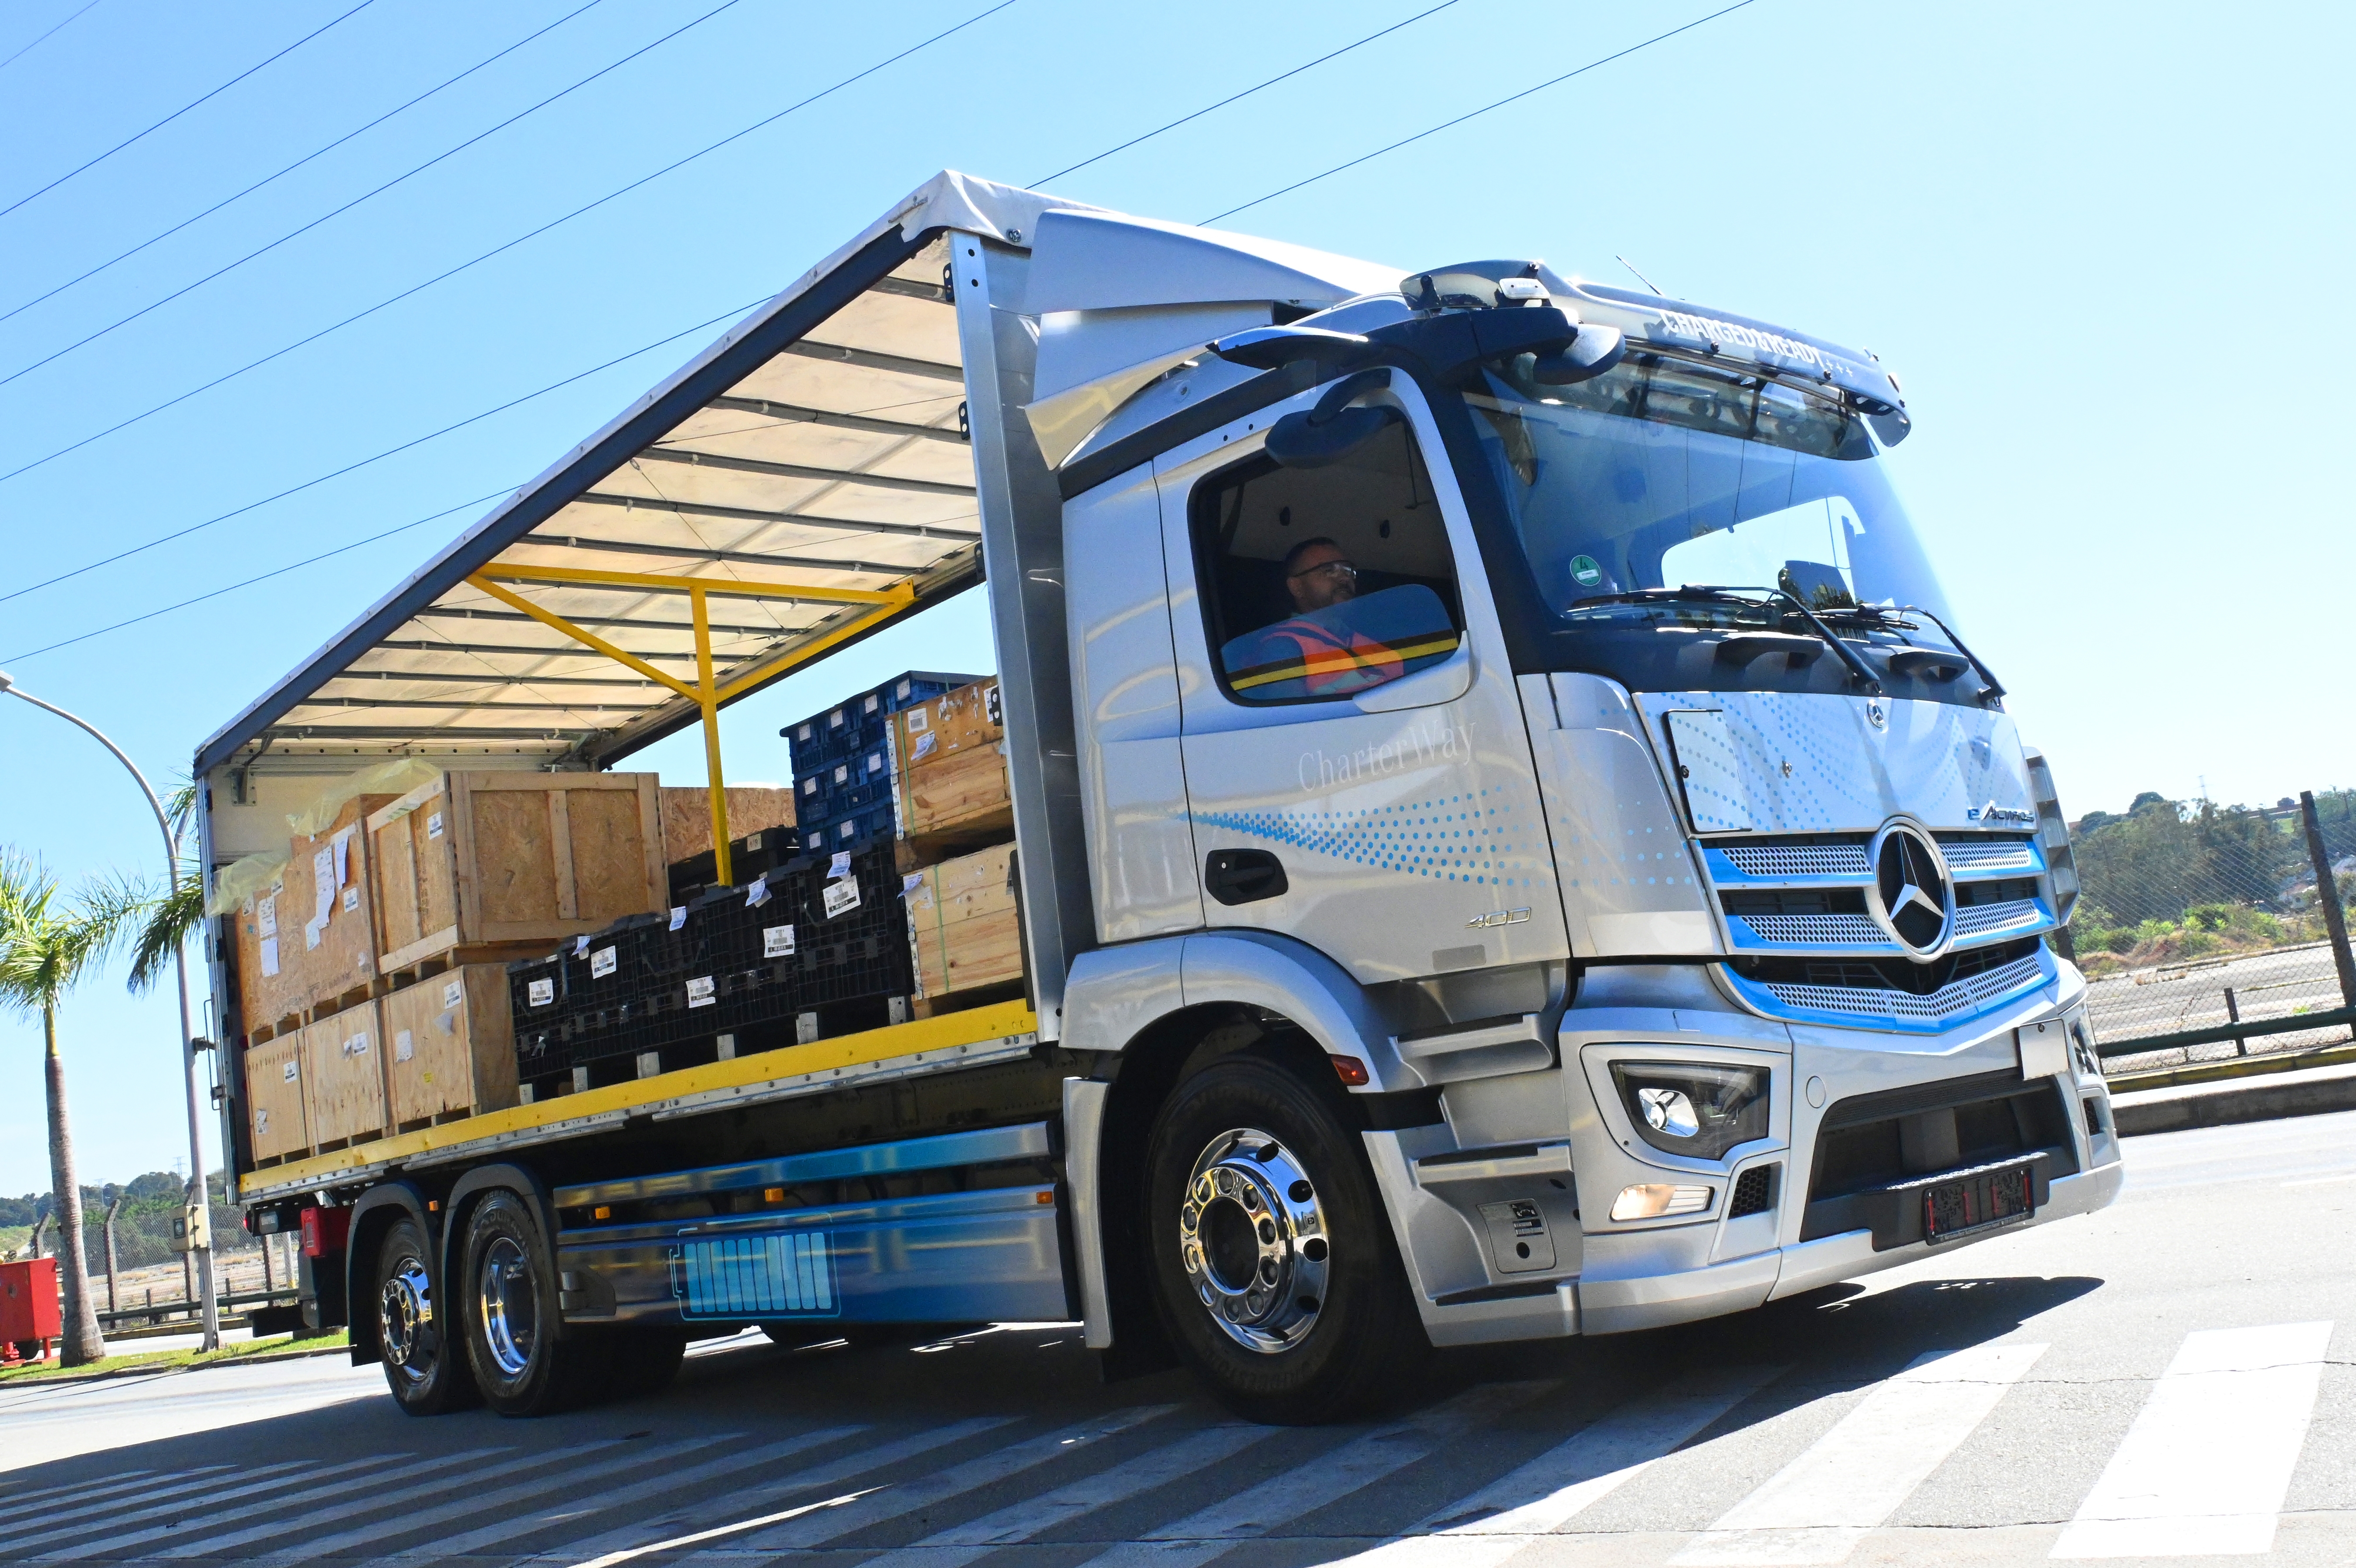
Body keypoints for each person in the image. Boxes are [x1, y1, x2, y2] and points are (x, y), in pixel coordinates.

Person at [1249, 537, 1405, 696]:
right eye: (1329, 571)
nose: (1345, 578)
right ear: (1297, 587)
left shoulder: (1379, 647)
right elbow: (1287, 710)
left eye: (1348, 570)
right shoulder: (1284, 645)